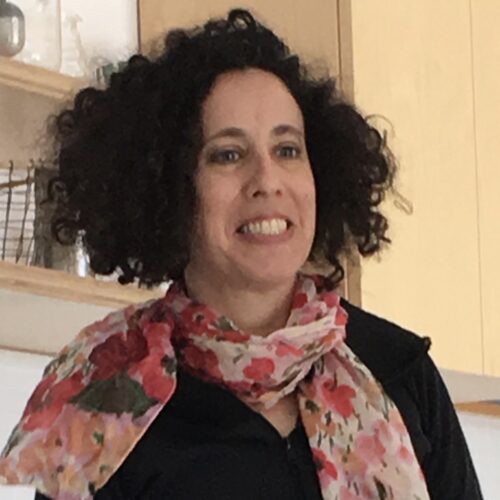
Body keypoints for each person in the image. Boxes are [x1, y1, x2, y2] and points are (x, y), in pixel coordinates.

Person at [0, 9, 482, 500]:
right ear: (168, 187)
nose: (267, 181)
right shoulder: (106, 399)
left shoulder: (400, 370)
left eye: (288, 149)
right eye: (228, 154)